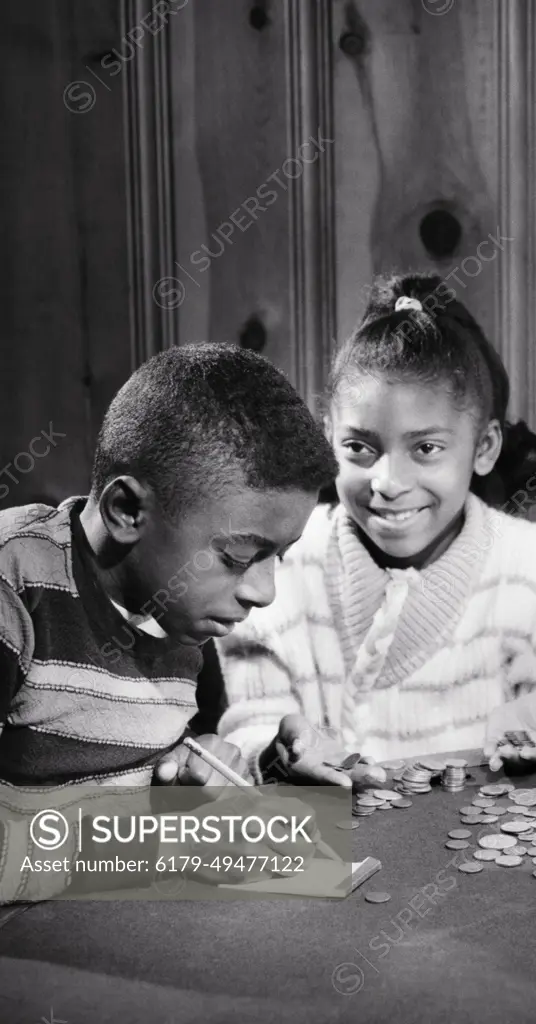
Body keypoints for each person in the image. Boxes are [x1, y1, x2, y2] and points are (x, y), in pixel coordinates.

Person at [217, 274, 536, 785]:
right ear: (327, 433)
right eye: (359, 447)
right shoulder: (274, 570)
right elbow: (249, 735)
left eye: (426, 449)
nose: (389, 483)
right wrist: (277, 750)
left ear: (484, 447)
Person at [0, 343, 337, 898]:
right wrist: (154, 845)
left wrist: (262, 771)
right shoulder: (16, 590)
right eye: (237, 556)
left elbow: (164, 770)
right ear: (128, 511)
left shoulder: (182, 617)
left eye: (282, 554)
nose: (266, 591)